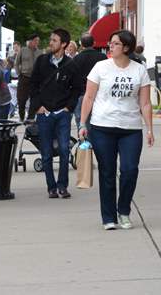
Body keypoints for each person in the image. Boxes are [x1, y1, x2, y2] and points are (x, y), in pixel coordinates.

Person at [78, 29, 154, 230]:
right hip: (102, 127)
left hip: (130, 128)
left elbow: (145, 103)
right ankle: (108, 217)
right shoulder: (100, 67)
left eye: (116, 44)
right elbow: (88, 97)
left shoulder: (139, 70)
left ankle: (124, 211)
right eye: (110, 43)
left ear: (127, 47)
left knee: (130, 170)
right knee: (107, 172)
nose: (110, 46)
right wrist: (82, 124)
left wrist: (149, 129)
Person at [28, 28, 79, 199]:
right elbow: (33, 85)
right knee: (46, 152)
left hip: (63, 113)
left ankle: (62, 186)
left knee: (64, 150)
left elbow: (77, 88)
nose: (50, 43)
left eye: (54, 40)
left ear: (63, 44)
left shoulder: (71, 64)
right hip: (44, 114)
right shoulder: (42, 61)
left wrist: (68, 108)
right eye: (50, 40)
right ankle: (51, 187)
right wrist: (37, 107)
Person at [69, 33, 107, 132]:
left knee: (81, 121)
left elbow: (72, 78)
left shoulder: (76, 59)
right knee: (99, 122)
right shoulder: (102, 57)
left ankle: (84, 144)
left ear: (81, 44)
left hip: (82, 93)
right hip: (99, 94)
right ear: (93, 43)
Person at [15, 34, 41, 121]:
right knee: (21, 99)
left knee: (34, 99)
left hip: (35, 79)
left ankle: (30, 118)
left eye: (38, 41)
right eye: (36, 40)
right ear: (31, 41)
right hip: (24, 78)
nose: (37, 42)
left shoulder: (39, 52)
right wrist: (19, 74)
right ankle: (21, 116)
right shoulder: (23, 50)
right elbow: (16, 63)